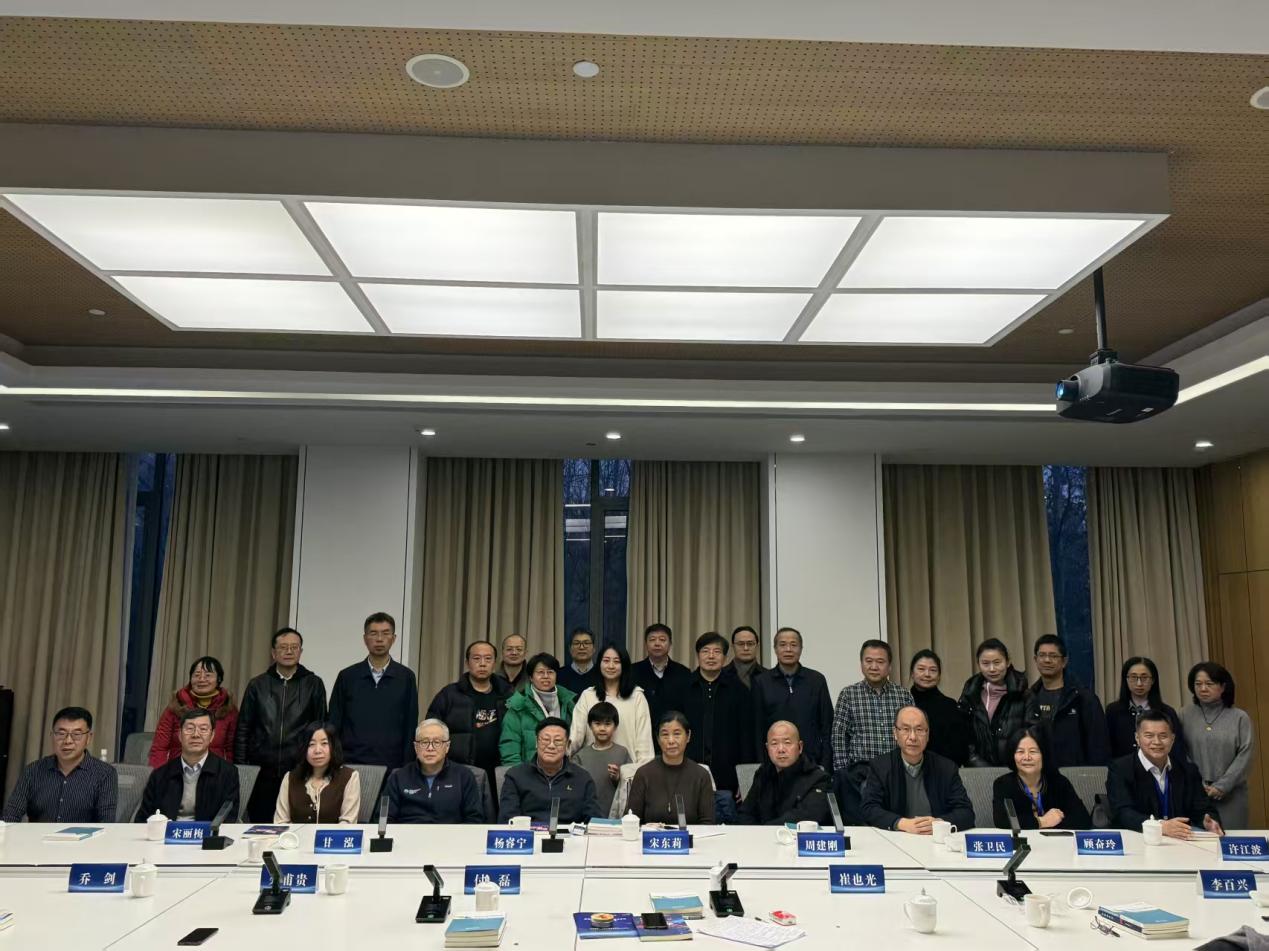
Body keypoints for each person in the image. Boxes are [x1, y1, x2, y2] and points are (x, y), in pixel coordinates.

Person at [235, 627, 328, 822]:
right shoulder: (257, 685)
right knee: (262, 826)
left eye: (294, 647)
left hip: (299, 771)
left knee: (297, 825)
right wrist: (243, 769)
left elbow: (321, 728)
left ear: (301, 651)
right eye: (283, 647)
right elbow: (243, 729)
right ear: (273, 653)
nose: (289, 651)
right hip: (261, 773)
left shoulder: (313, 684)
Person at [1107, 710, 1223, 837]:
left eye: (1163, 736)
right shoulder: (1120, 769)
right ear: (1137, 738)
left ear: (1172, 739)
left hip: (1180, 842)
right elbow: (1123, 813)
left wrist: (1209, 823)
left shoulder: (1188, 770)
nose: (1157, 742)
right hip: (1137, 839)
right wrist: (1160, 826)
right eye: (1149, 736)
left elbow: (1204, 809)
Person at [860, 706, 974, 834]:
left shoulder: (946, 768)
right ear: (895, 733)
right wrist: (901, 823)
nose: (913, 737)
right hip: (897, 838)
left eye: (919, 730)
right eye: (906, 729)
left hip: (934, 839)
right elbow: (869, 809)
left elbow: (966, 812)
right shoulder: (881, 766)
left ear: (928, 735)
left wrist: (939, 823)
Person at [328, 612, 419, 773]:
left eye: (385, 633)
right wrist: (335, 761)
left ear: (394, 638)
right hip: (350, 763)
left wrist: (406, 767)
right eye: (373, 633)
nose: (379, 639)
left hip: (393, 765)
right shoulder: (347, 676)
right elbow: (334, 722)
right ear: (365, 639)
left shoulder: (406, 677)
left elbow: (410, 724)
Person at [2, 706, 117, 823]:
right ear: (52, 735)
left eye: (76, 734)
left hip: (83, 836)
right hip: (39, 835)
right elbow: (11, 815)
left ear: (88, 738)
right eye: (61, 734)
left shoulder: (105, 774)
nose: (68, 741)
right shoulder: (33, 770)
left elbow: (106, 823)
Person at [680, 631, 757, 797]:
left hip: (728, 775)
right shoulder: (684, 687)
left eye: (717, 651)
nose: (711, 656)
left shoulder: (739, 690)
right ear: (698, 656)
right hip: (687, 770)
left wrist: (744, 777)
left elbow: (746, 736)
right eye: (705, 651)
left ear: (725, 657)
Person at [1179, 662, 1253, 830]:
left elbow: (1245, 755)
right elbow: (1181, 751)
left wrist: (1222, 786)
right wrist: (1197, 782)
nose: (1203, 689)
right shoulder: (1184, 714)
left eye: (1209, 683)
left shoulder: (1239, 717)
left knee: (1230, 840)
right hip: (1195, 794)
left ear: (1223, 686)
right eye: (1198, 684)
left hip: (1231, 795)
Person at [426, 640, 512, 782]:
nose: (482, 663)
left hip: (499, 772)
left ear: (494, 664)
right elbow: (430, 732)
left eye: (488, 659)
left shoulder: (507, 695)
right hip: (458, 771)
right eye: (476, 658)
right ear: (467, 663)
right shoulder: (449, 695)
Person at [832, 639, 914, 785]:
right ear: (861, 664)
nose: (874, 667)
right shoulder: (848, 694)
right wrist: (843, 773)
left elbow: (912, 733)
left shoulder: (903, 695)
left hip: (897, 770)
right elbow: (839, 736)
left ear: (889, 666)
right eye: (868, 661)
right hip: (860, 773)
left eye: (880, 662)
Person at [751, 628, 834, 771]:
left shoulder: (816, 680)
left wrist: (825, 765)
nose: (788, 649)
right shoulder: (761, 682)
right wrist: (762, 765)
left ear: (801, 649)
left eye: (793, 645)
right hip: (774, 764)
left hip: (811, 762)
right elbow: (757, 729)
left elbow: (827, 726)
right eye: (783, 644)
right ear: (775, 649)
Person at [137, 708, 240, 821]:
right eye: (190, 729)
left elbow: (228, 818)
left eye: (203, 729)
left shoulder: (227, 773)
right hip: (166, 831)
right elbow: (143, 818)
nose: (195, 734)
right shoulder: (160, 775)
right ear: (180, 735)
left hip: (208, 832)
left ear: (212, 736)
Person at [1024, 634, 1110, 767]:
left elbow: (1098, 746)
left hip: (1076, 773)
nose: (1047, 660)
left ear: (1064, 661)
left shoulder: (1083, 698)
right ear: (1035, 660)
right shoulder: (1029, 697)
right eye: (1042, 655)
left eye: (1053, 656)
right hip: (1038, 773)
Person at [498, 717, 600, 824]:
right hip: (529, 833)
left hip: (568, 833)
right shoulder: (515, 776)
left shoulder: (582, 778)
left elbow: (594, 820)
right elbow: (507, 821)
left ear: (568, 745)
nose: (551, 746)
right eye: (546, 740)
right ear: (536, 742)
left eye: (558, 741)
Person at [383, 719, 484, 824]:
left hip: (449, 833)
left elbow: (474, 819)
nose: (430, 748)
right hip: (408, 833)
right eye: (424, 742)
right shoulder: (398, 777)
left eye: (437, 742)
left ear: (447, 746)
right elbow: (384, 820)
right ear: (416, 747)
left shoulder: (464, 776)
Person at [737, 720, 836, 826]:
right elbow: (745, 813)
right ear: (767, 748)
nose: (781, 749)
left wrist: (765, 830)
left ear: (800, 747)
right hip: (762, 835)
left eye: (787, 743)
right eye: (774, 744)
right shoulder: (763, 774)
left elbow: (806, 817)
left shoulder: (818, 779)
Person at [569, 644, 654, 766]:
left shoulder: (637, 697)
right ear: (599, 664)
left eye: (616, 661)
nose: (611, 666)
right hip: (592, 768)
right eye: (606, 661)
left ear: (624, 665)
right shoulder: (588, 695)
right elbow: (576, 736)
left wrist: (640, 772)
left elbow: (644, 743)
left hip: (628, 770)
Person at [991, 725, 1091, 830]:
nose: (1027, 757)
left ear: (1044, 754)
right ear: (1012, 755)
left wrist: (1047, 824)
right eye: (1020, 752)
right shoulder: (1003, 784)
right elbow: (1002, 821)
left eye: (1033, 751)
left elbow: (1083, 819)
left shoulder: (1059, 782)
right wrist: (1042, 822)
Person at [627, 711, 715, 825]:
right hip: (652, 836)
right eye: (665, 735)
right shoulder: (644, 774)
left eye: (677, 734)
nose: (671, 741)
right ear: (658, 739)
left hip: (690, 836)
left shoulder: (701, 776)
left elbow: (708, 823)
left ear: (688, 736)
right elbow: (632, 821)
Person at [148, 656, 238, 766]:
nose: (201, 679)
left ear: (219, 679)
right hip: (178, 770)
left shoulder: (227, 708)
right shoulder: (176, 705)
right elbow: (159, 748)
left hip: (214, 771)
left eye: (208, 675)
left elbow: (231, 750)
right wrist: (162, 773)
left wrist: (226, 772)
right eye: (196, 675)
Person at [957, 638, 1029, 767]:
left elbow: (1033, 735)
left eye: (997, 662)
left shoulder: (1024, 694)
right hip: (978, 770)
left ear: (1008, 662)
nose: (992, 669)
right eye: (985, 663)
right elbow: (962, 733)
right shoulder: (970, 693)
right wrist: (976, 762)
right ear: (978, 664)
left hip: (1017, 768)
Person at [1104, 656, 1189, 762]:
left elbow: (1177, 749)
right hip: (1122, 768)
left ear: (1153, 680)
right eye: (1134, 677)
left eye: (1144, 678)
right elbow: (1107, 747)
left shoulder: (1166, 712)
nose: (1139, 683)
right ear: (1126, 680)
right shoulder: (1113, 711)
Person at [274, 721, 360, 823]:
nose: (317, 750)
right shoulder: (290, 778)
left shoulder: (349, 777)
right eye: (311, 744)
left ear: (334, 746)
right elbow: (280, 822)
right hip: (296, 834)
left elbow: (348, 823)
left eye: (324, 743)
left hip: (333, 834)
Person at [500, 653, 578, 765]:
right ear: (531, 677)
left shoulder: (568, 702)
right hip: (529, 771)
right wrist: (519, 774)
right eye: (540, 672)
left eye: (550, 672)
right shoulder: (518, 705)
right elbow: (510, 748)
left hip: (563, 770)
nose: (546, 676)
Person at [632, 623, 693, 745]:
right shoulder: (632, 672)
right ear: (645, 644)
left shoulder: (684, 673)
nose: (657, 643)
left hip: (674, 740)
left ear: (670, 644)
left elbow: (688, 710)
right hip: (641, 738)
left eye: (662, 639)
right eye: (652, 639)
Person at [908, 650, 969, 766]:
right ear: (912, 673)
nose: (927, 674)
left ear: (939, 676)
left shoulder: (950, 706)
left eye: (933, 670)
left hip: (942, 769)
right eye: (921, 669)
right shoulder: (904, 703)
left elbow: (960, 749)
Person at [571, 701, 631, 818]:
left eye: (607, 724)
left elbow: (630, 787)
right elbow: (574, 789)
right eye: (597, 724)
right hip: (587, 816)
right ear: (590, 726)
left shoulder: (622, 752)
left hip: (616, 816)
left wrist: (618, 778)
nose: (602, 728)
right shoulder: (580, 756)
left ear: (615, 726)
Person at [556, 627, 597, 696]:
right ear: (570, 649)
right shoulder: (559, 675)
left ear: (594, 648)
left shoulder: (602, 674)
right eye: (576, 643)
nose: (581, 647)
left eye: (586, 643)